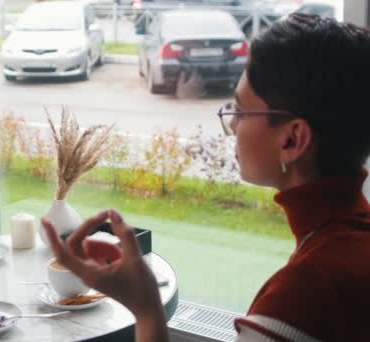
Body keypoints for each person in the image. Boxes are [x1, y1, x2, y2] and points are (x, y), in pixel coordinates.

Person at [43, 14, 370, 342]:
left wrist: (145, 307)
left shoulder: (301, 298)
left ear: (292, 140)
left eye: (241, 111)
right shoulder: (347, 243)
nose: (232, 125)